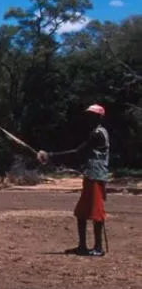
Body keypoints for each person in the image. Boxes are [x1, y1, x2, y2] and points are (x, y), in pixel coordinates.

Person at [38, 104, 111, 256]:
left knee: (97, 213)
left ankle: (98, 248)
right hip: (90, 175)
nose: (89, 118)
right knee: (81, 213)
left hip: (96, 176)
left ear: (99, 118)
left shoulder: (97, 134)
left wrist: (50, 156)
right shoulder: (96, 132)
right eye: (89, 115)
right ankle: (82, 246)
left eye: (93, 116)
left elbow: (78, 151)